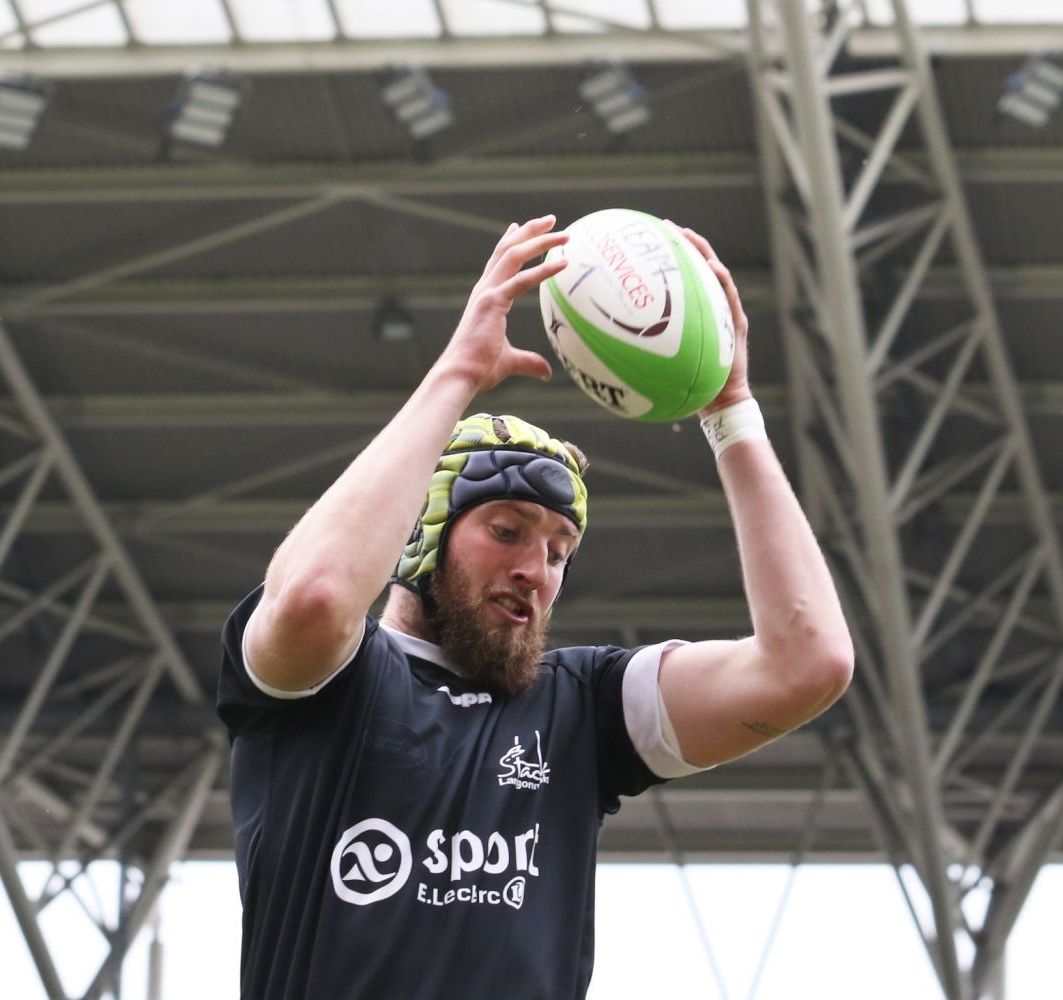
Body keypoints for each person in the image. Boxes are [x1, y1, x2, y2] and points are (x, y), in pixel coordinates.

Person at [216, 215, 854, 998]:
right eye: (505, 531)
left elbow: (807, 665)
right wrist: (457, 372)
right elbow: (315, 595)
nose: (534, 571)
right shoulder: (330, 681)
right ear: (419, 533)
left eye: (558, 551)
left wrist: (731, 413)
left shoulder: (579, 707)